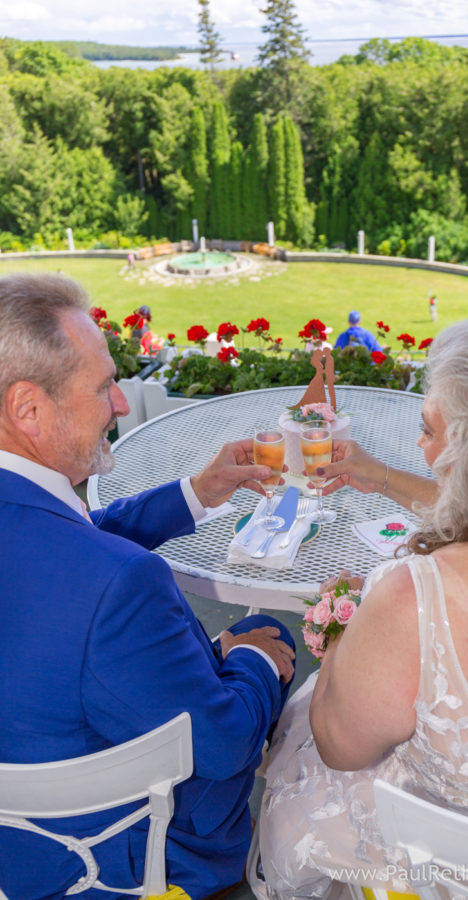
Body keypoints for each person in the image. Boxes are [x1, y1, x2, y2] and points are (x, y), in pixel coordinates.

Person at [254, 309, 468, 897]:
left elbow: (341, 749)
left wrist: (339, 639)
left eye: (431, 429)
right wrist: (382, 476)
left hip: (439, 868)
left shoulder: (413, 599)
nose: (420, 444)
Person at [0, 273, 296, 900]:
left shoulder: (44, 531)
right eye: (105, 385)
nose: (121, 404)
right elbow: (219, 746)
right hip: (122, 861)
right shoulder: (120, 586)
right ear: (28, 408)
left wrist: (198, 492)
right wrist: (249, 660)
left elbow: (70, 543)